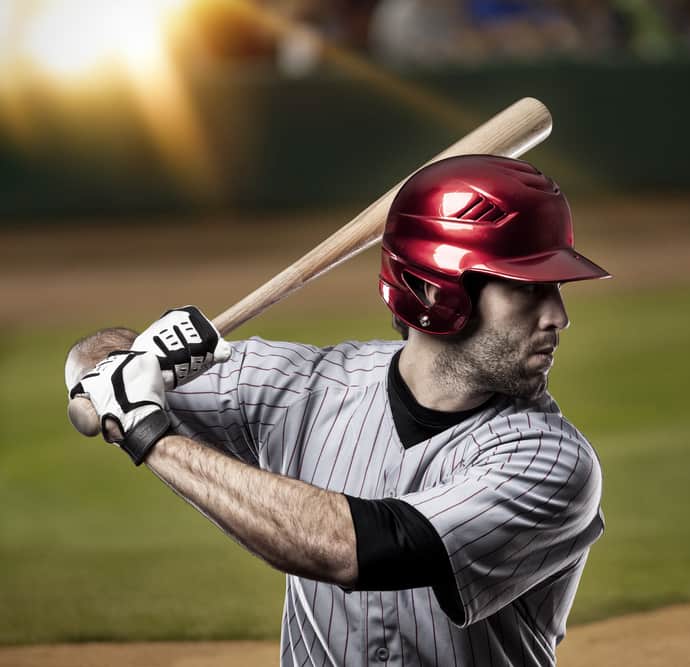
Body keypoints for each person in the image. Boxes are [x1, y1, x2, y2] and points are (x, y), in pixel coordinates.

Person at [66, 155, 610, 666]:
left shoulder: (552, 463)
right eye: (529, 291)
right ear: (434, 290)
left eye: (555, 289)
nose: (559, 317)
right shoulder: (303, 386)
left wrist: (150, 434)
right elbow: (90, 366)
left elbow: (349, 547)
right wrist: (132, 359)